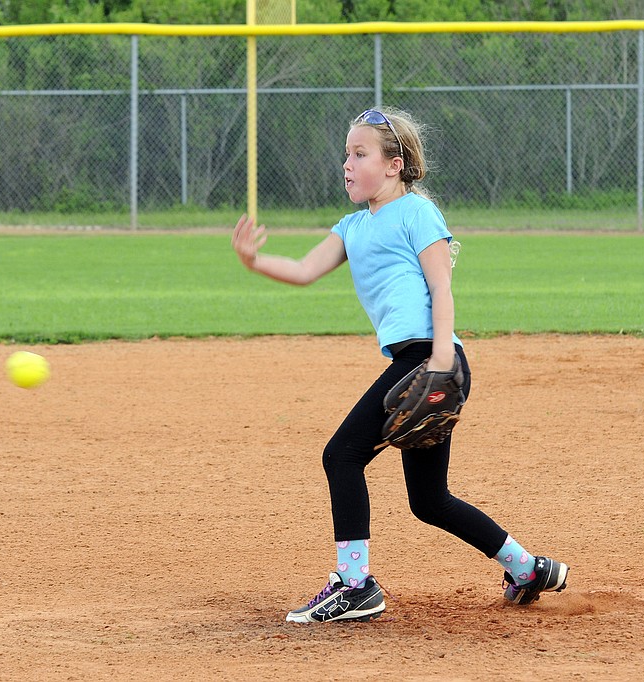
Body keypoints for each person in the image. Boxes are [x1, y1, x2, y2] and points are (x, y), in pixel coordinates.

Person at [231, 107, 568, 624]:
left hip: (428, 358)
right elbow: (302, 270)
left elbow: (440, 286)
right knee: (429, 500)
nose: (347, 163)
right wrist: (255, 262)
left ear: (395, 164)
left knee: (341, 456)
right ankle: (527, 567)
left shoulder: (416, 213)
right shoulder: (351, 225)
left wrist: (438, 360)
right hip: (420, 362)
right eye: (346, 153)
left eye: (360, 153)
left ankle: (355, 585)